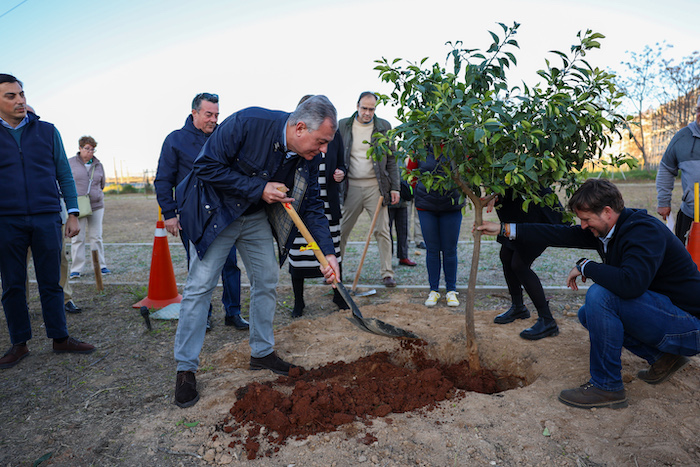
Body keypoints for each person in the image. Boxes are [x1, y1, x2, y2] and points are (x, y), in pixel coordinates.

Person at [172, 95, 340, 408]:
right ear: (300, 127)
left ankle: (262, 352)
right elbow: (205, 166)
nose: (324, 150)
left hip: (253, 218)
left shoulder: (310, 155)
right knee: (199, 287)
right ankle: (186, 369)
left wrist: (328, 253)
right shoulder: (248, 123)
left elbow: (313, 205)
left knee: (266, 280)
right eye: (321, 141)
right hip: (216, 214)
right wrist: (259, 189)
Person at [478, 179, 700, 409]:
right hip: (670, 317)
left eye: (586, 219)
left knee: (600, 296)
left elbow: (631, 284)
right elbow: (558, 234)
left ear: (607, 212)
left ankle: (607, 385)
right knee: (588, 314)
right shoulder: (609, 230)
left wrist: (587, 266)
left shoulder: (643, 231)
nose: (583, 226)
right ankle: (664, 359)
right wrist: (505, 229)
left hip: (691, 326)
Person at [0, 73, 95, 369]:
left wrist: (73, 213)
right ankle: (20, 343)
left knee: (51, 282)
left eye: (21, 94)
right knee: (12, 285)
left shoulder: (47, 131)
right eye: (11, 96)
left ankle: (60, 337)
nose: (20, 100)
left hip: (46, 217)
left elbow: (63, 175)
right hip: (6, 221)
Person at [154, 93, 248, 331]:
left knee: (229, 265)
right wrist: (170, 214)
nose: (214, 119)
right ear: (194, 112)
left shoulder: (223, 138)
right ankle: (203, 315)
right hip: (192, 217)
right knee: (199, 268)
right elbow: (163, 180)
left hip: (224, 214)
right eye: (209, 114)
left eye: (217, 115)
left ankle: (233, 312)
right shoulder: (175, 140)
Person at [288, 95, 347, 318]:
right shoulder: (293, 139)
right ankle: (299, 301)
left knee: (332, 250)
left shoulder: (333, 135)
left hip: (327, 201)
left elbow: (341, 162)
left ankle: (338, 293)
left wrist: (342, 172)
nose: (323, 148)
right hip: (299, 205)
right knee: (299, 253)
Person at [339, 91, 400, 288]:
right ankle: (335, 271)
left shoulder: (384, 126)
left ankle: (387, 273)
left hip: (376, 186)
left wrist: (395, 188)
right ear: (357, 106)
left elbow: (392, 159)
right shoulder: (343, 126)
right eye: (364, 108)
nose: (367, 113)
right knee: (342, 230)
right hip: (351, 185)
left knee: (382, 231)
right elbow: (336, 154)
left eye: (371, 109)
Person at [489, 188, 567, 340]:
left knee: (519, 264)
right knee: (506, 255)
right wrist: (495, 194)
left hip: (536, 214)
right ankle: (518, 307)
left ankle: (547, 320)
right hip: (515, 212)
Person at [407, 150, 464, 307]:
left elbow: (467, 170)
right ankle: (434, 290)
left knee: (450, 250)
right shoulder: (418, 147)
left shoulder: (455, 147)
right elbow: (410, 174)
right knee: (432, 249)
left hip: (452, 204)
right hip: (426, 206)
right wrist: (423, 190)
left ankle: (451, 290)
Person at [656, 95, 700, 245]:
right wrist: (663, 201)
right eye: (699, 110)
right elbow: (666, 169)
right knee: (686, 262)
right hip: (690, 215)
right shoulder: (682, 137)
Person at [68, 136, 110, 279]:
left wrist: (96, 194)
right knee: (78, 238)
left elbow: (102, 183)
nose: (90, 152)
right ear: (80, 148)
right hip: (78, 206)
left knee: (96, 236)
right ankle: (76, 269)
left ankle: (100, 266)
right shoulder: (70, 163)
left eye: (92, 149)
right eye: (87, 148)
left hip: (96, 205)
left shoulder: (98, 165)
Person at [388, 177, 417, 268]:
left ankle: (403, 256)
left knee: (403, 229)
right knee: (386, 231)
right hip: (388, 199)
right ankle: (388, 258)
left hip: (403, 198)